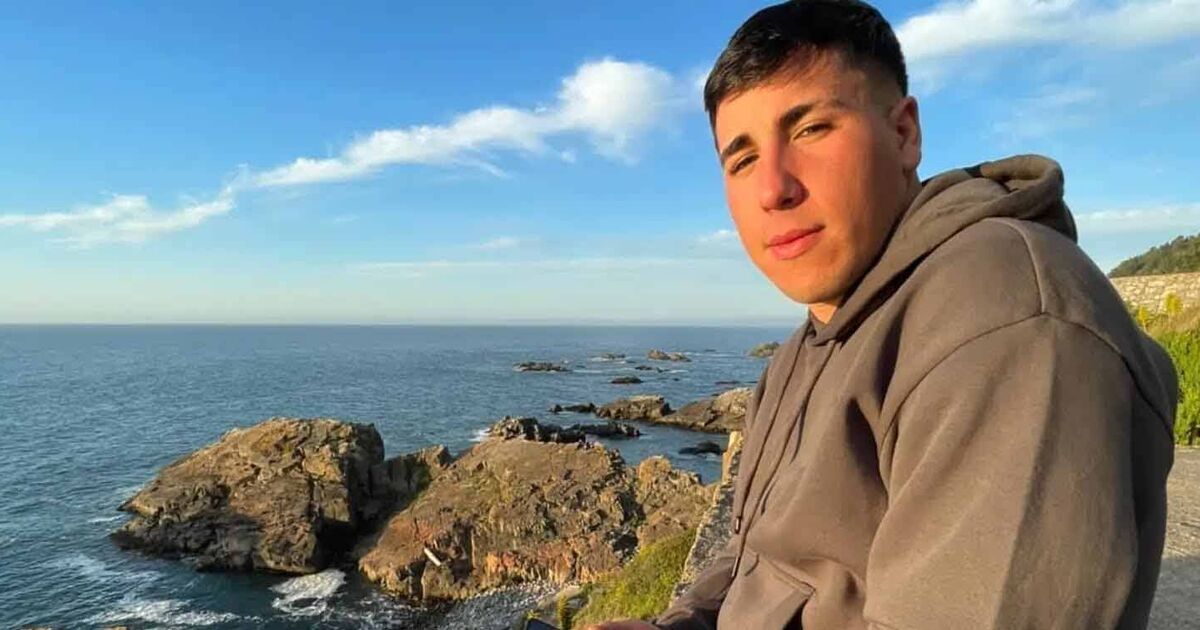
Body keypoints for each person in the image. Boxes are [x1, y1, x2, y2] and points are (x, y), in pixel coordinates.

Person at [585, 1, 1178, 628]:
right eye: (743, 159)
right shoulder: (803, 351)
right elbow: (755, 563)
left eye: (810, 129)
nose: (773, 189)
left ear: (904, 134)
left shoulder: (1005, 323)